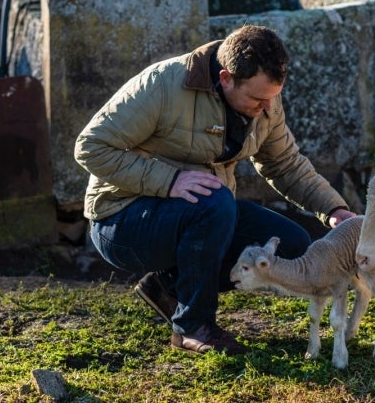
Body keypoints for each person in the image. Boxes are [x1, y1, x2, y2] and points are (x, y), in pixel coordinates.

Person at [75, 25, 356, 355]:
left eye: (272, 97)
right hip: (122, 222)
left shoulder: (265, 99)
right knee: (216, 202)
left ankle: (166, 288)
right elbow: (91, 146)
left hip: (202, 210)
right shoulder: (163, 84)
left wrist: (336, 211)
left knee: (290, 245)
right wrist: (169, 181)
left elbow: (285, 164)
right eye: (257, 98)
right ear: (226, 78)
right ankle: (193, 326)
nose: (267, 107)